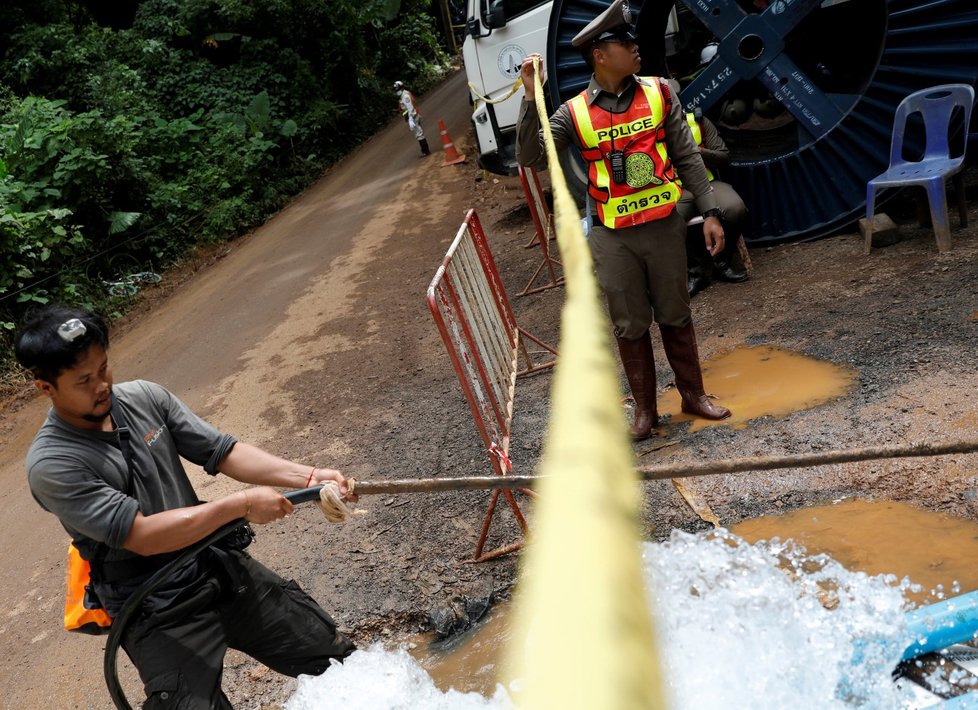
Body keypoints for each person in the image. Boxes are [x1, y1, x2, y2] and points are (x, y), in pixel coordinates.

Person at [15, 304, 356, 708]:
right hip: (154, 605)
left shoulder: (144, 397)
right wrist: (242, 504)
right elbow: (141, 535)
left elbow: (220, 450)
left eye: (104, 368)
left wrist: (308, 476)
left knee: (338, 663)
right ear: (45, 387)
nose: (103, 385)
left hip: (214, 565)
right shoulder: (53, 463)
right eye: (84, 380)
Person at [515, 0, 731, 440]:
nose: (635, 48)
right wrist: (529, 97)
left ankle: (693, 395)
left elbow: (687, 156)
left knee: (675, 313)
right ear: (600, 53)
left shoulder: (659, 91)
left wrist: (710, 211)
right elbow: (530, 155)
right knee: (630, 325)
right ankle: (645, 414)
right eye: (625, 43)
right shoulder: (573, 113)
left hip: (664, 225)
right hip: (614, 238)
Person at [674, 97, 751, 296]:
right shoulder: (648, 131)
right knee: (668, 222)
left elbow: (724, 156)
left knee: (735, 208)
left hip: (707, 184)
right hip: (674, 190)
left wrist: (698, 152)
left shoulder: (698, 122)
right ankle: (695, 271)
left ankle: (721, 262)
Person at [394, 80, 430, 157]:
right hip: (413, 116)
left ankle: (425, 151)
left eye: (398, 89)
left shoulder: (405, 96)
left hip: (413, 116)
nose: (397, 91)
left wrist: (410, 119)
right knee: (419, 133)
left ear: (402, 88)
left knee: (419, 134)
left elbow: (410, 108)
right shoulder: (403, 95)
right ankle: (425, 151)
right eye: (396, 90)